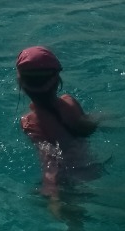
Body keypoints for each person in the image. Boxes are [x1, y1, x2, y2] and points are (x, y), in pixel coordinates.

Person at [16, 46, 100, 197]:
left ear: (21, 84)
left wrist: (51, 193)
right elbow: (88, 126)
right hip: (92, 167)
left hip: (66, 177)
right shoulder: (70, 101)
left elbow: (49, 159)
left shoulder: (28, 122)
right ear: (57, 80)